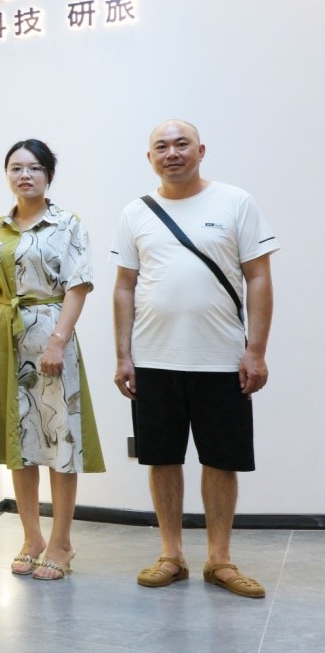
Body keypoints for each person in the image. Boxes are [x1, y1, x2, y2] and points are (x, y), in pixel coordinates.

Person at [112, 120, 276, 599]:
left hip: (222, 359)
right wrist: (123, 355)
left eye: (181, 144)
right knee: (161, 458)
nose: (172, 153)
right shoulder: (136, 213)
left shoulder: (235, 202)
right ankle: (172, 555)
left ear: (201, 151)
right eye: (161, 147)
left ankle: (220, 559)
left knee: (221, 461)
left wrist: (256, 350)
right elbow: (124, 286)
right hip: (154, 360)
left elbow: (258, 277)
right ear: (150, 158)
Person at [0, 139, 104, 581]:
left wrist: (57, 341)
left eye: (33, 168)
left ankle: (62, 541)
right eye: (16, 168)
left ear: (49, 174)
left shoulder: (68, 224)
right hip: (4, 341)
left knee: (58, 437)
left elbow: (78, 286)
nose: (24, 175)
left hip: (50, 339)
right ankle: (32, 537)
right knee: (20, 442)